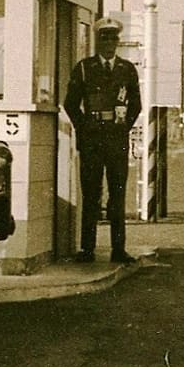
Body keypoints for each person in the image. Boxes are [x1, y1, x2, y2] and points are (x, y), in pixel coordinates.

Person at [63, 17, 141, 264]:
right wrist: (84, 127)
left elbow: (136, 104)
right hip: (92, 138)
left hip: (116, 138)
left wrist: (124, 127)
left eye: (113, 39)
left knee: (117, 195)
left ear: (117, 42)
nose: (109, 44)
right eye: (105, 39)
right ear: (98, 42)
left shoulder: (127, 69)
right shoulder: (85, 68)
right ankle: (88, 249)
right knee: (91, 194)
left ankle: (118, 250)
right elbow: (70, 104)